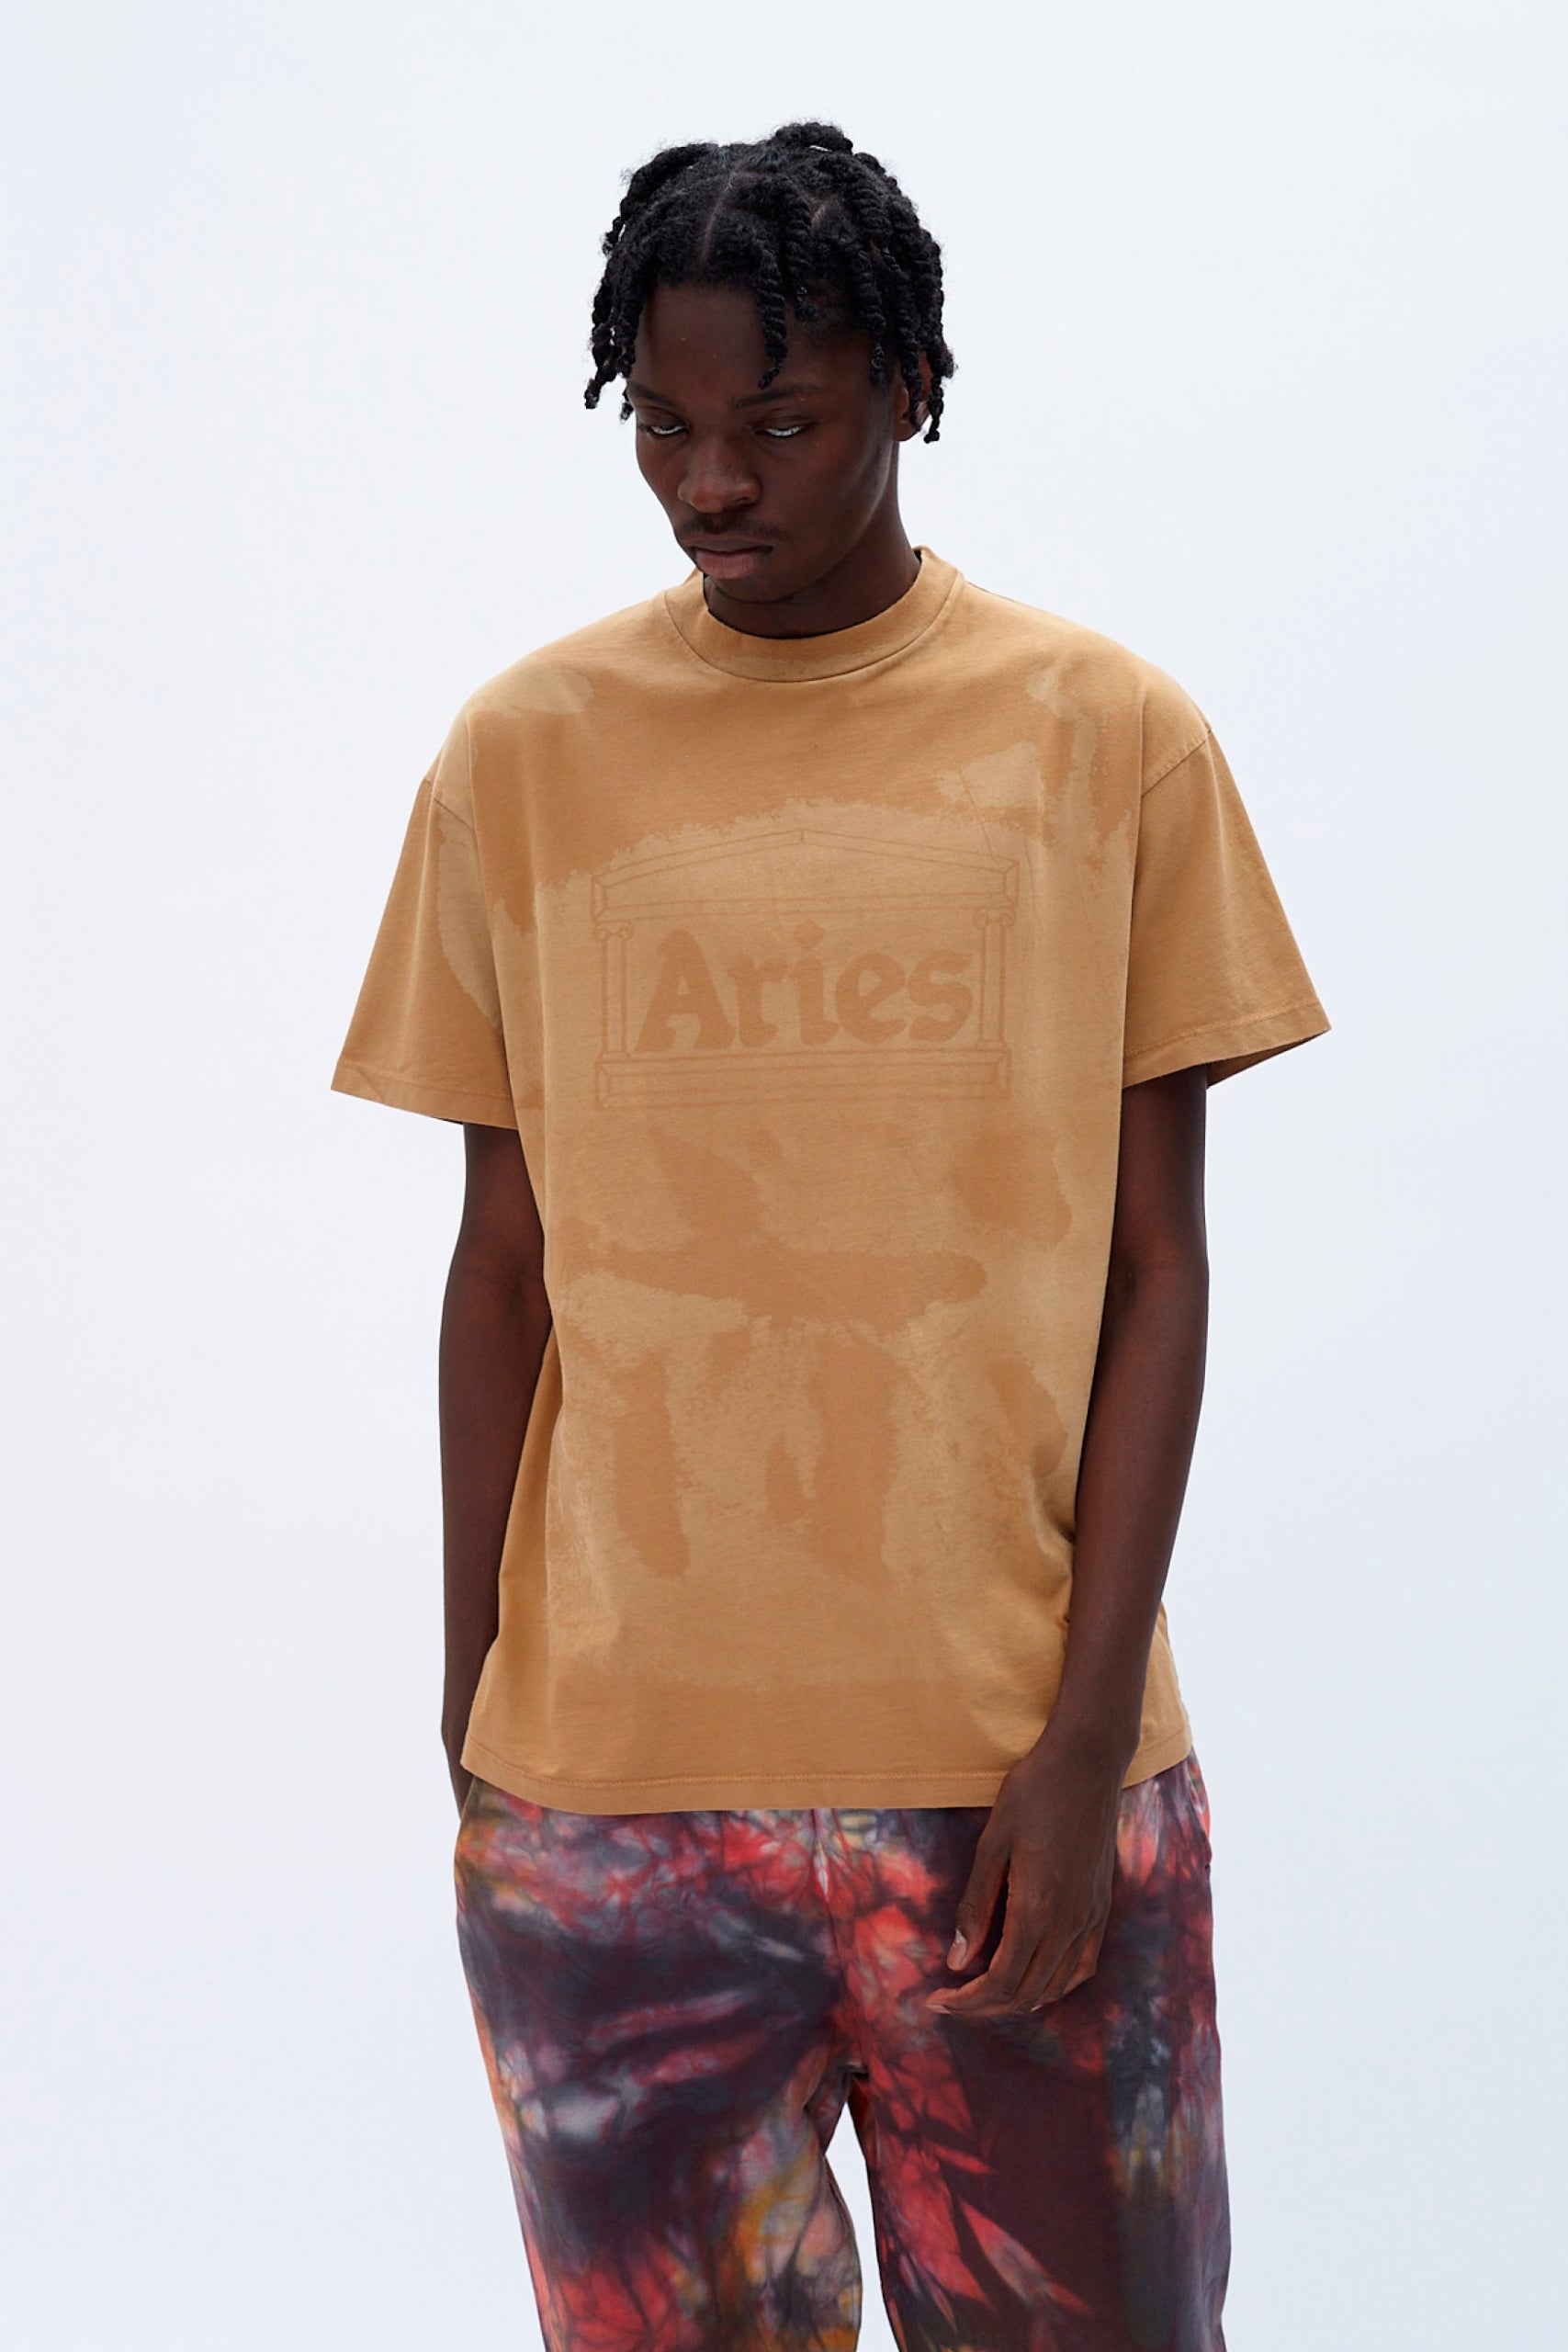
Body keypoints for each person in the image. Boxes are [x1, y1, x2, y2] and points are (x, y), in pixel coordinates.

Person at [332, 119, 1328, 2352]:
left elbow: (1154, 1268)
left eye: (773, 423)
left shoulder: (1105, 741)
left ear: (906, 387)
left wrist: (1078, 1740)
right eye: (662, 425)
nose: (710, 484)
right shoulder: (521, 755)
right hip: (610, 1797)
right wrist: (475, 1706)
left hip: (1013, 1782)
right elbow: (501, 1265)